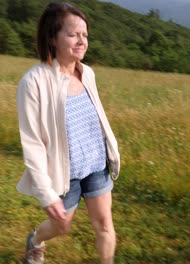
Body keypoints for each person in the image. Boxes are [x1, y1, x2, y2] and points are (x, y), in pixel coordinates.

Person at [16, 2, 120, 264]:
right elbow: (33, 143)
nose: (82, 41)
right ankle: (37, 239)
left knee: (105, 224)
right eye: (73, 34)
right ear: (53, 37)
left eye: (84, 35)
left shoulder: (88, 73)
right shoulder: (34, 82)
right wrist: (45, 192)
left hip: (96, 164)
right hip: (62, 173)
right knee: (61, 227)